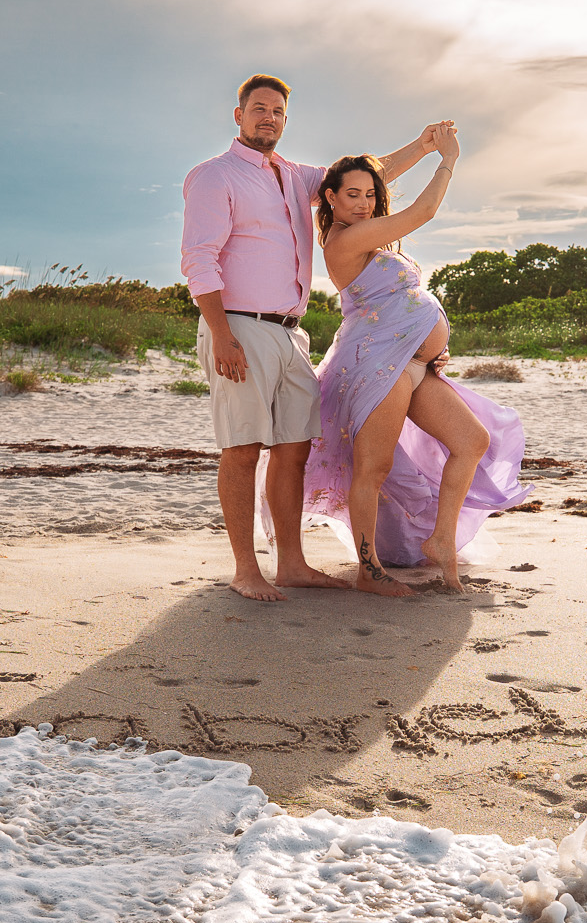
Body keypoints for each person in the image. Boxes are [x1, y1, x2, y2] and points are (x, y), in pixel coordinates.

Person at [180, 74, 448, 602]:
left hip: (290, 333)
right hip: (238, 326)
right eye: (259, 109)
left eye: (278, 111)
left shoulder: (293, 176)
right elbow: (199, 260)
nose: (269, 118)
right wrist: (221, 335)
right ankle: (245, 570)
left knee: (293, 449)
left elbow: (364, 176)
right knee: (242, 448)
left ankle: (291, 564)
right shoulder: (215, 176)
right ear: (239, 115)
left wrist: (422, 146)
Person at [302, 127, 529, 595]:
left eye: (370, 194)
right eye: (352, 195)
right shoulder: (343, 240)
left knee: (471, 440)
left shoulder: (368, 234)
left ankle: (441, 540)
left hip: (410, 363)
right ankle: (369, 571)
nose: (364, 203)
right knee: (373, 468)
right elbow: (422, 212)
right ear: (331, 198)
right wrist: (447, 159)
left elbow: (374, 174)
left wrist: (422, 147)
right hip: (376, 365)